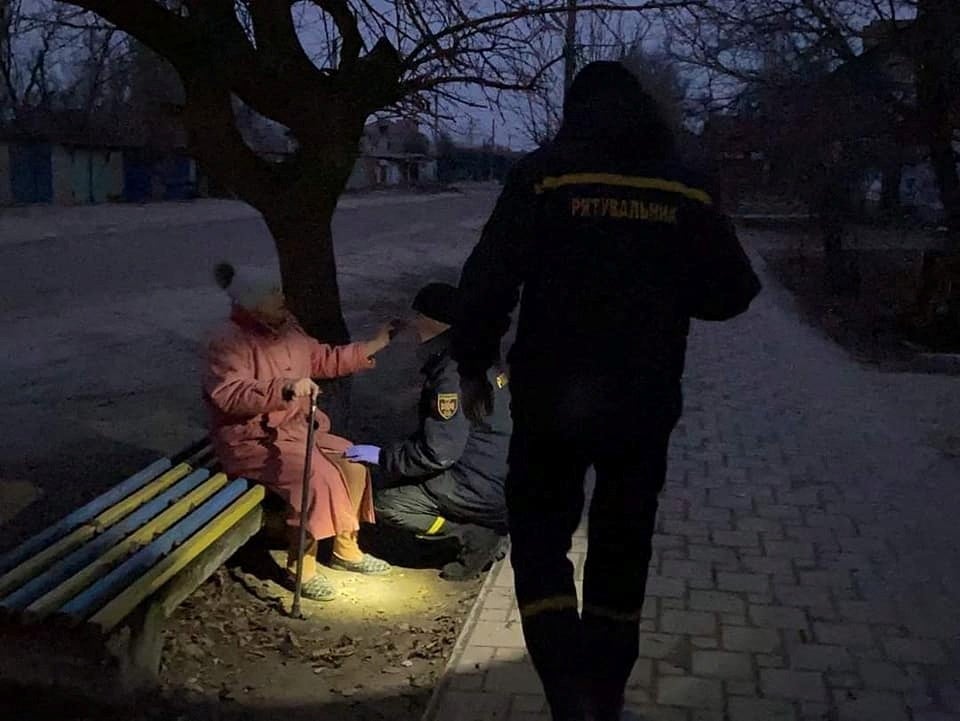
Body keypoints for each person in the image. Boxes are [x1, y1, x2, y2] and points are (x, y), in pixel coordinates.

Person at [451, 61, 762, 721]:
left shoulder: (544, 175)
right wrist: (668, 284)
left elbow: (488, 279)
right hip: (641, 405)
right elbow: (734, 291)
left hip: (550, 401)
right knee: (623, 547)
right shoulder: (685, 185)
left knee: (539, 542)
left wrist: (473, 362)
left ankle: (570, 698)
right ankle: (607, 697)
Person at [203, 262, 398, 602]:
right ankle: (302, 568)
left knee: (352, 460)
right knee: (315, 477)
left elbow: (322, 359)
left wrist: (372, 346)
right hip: (252, 440)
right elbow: (228, 394)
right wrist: (285, 389)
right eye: (273, 292)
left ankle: (345, 549)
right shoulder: (226, 341)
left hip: (297, 430)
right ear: (250, 301)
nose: (282, 297)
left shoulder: (287, 327)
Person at [344, 282, 510, 581]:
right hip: (500, 470)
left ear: (433, 320)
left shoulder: (451, 374)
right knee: (405, 467)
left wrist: (384, 457)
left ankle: (472, 534)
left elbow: (440, 452)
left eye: (418, 315)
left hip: (483, 484)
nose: (414, 323)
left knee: (389, 503)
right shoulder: (474, 351)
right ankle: (481, 522)